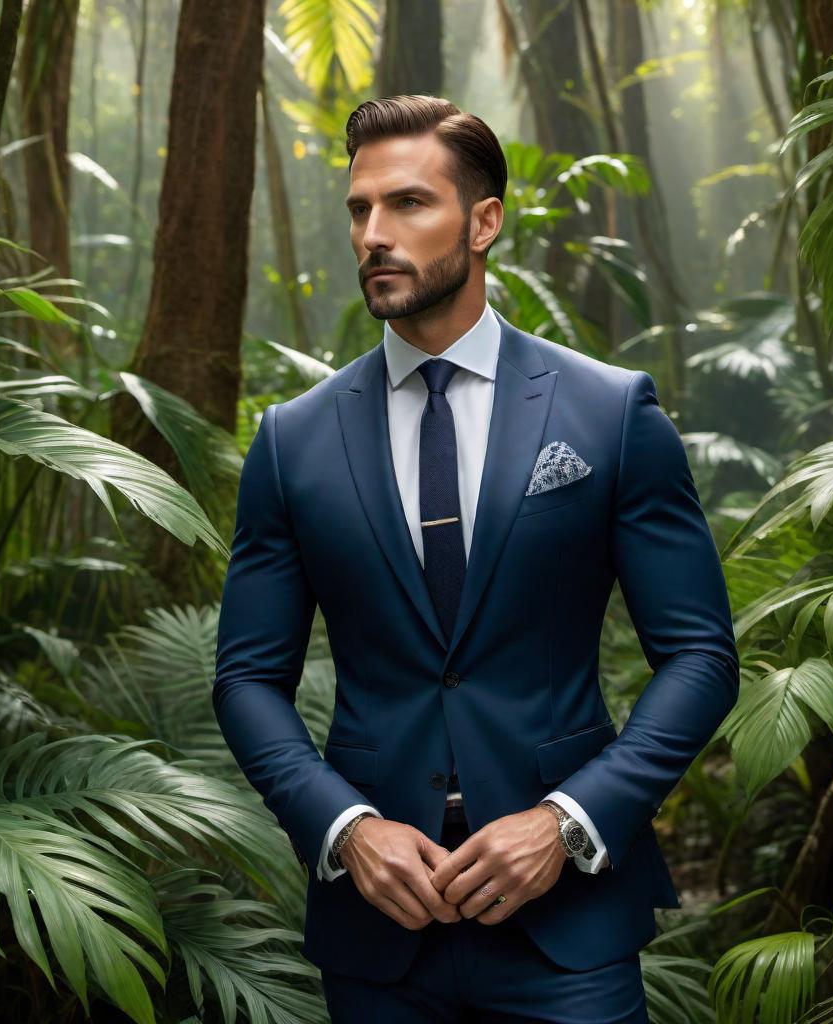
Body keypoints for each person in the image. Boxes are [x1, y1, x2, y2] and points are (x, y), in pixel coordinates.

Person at [212, 94, 739, 1024]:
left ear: (485, 221)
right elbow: (249, 677)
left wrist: (566, 823)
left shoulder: (608, 413)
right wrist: (346, 827)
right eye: (360, 209)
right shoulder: (292, 440)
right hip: (379, 932)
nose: (374, 233)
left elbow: (700, 657)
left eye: (408, 204)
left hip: (567, 926)